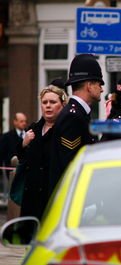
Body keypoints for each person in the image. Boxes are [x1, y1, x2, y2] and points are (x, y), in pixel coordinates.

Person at [48, 53, 104, 197]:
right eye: (99, 84)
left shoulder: (79, 113)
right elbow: (71, 165)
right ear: (89, 86)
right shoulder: (73, 117)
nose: (102, 89)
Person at [17, 86, 67, 220]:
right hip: (31, 198)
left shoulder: (64, 130)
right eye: (45, 103)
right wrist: (24, 143)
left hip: (52, 195)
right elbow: (21, 158)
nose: (48, 106)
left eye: (53, 102)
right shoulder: (34, 129)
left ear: (63, 105)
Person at [0, 112, 27, 177]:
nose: (24, 123)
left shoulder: (29, 134)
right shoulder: (6, 137)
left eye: (25, 121)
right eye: (21, 121)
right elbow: (1, 155)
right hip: (11, 171)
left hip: (26, 171)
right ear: (15, 122)